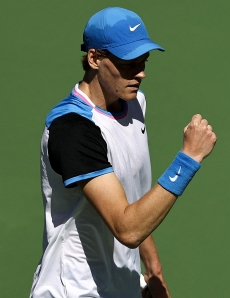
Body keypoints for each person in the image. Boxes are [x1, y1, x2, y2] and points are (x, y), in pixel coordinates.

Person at [30, 7, 216, 298]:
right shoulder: (73, 130)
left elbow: (133, 195)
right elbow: (127, 228)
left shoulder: (134, 104)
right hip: (74, 291)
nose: (140, 72)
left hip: (121, 289)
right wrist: (188, 159)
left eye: (144, 61)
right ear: (94, 59)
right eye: (128, 62)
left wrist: (154, 271)